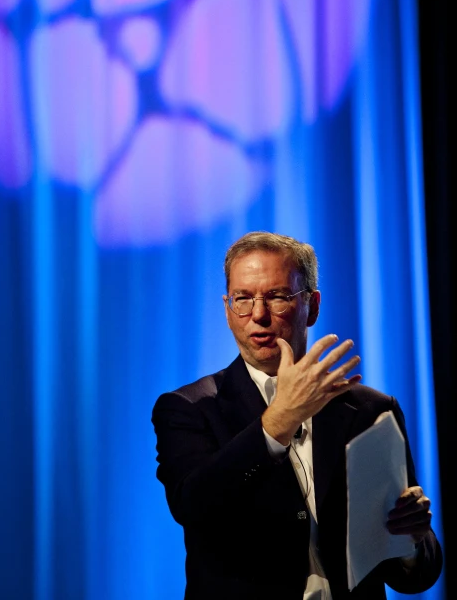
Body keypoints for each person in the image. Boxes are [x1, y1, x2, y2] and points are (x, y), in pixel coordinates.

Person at [151, 231, 443, 599]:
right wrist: (280, 420)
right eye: (243, 298)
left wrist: (413, 539)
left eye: (276, 296)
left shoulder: (371, 411)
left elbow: (415, 576)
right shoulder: (189, 408)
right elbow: (193, 505)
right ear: (227, 310)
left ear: (313, 306)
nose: (257, 315)